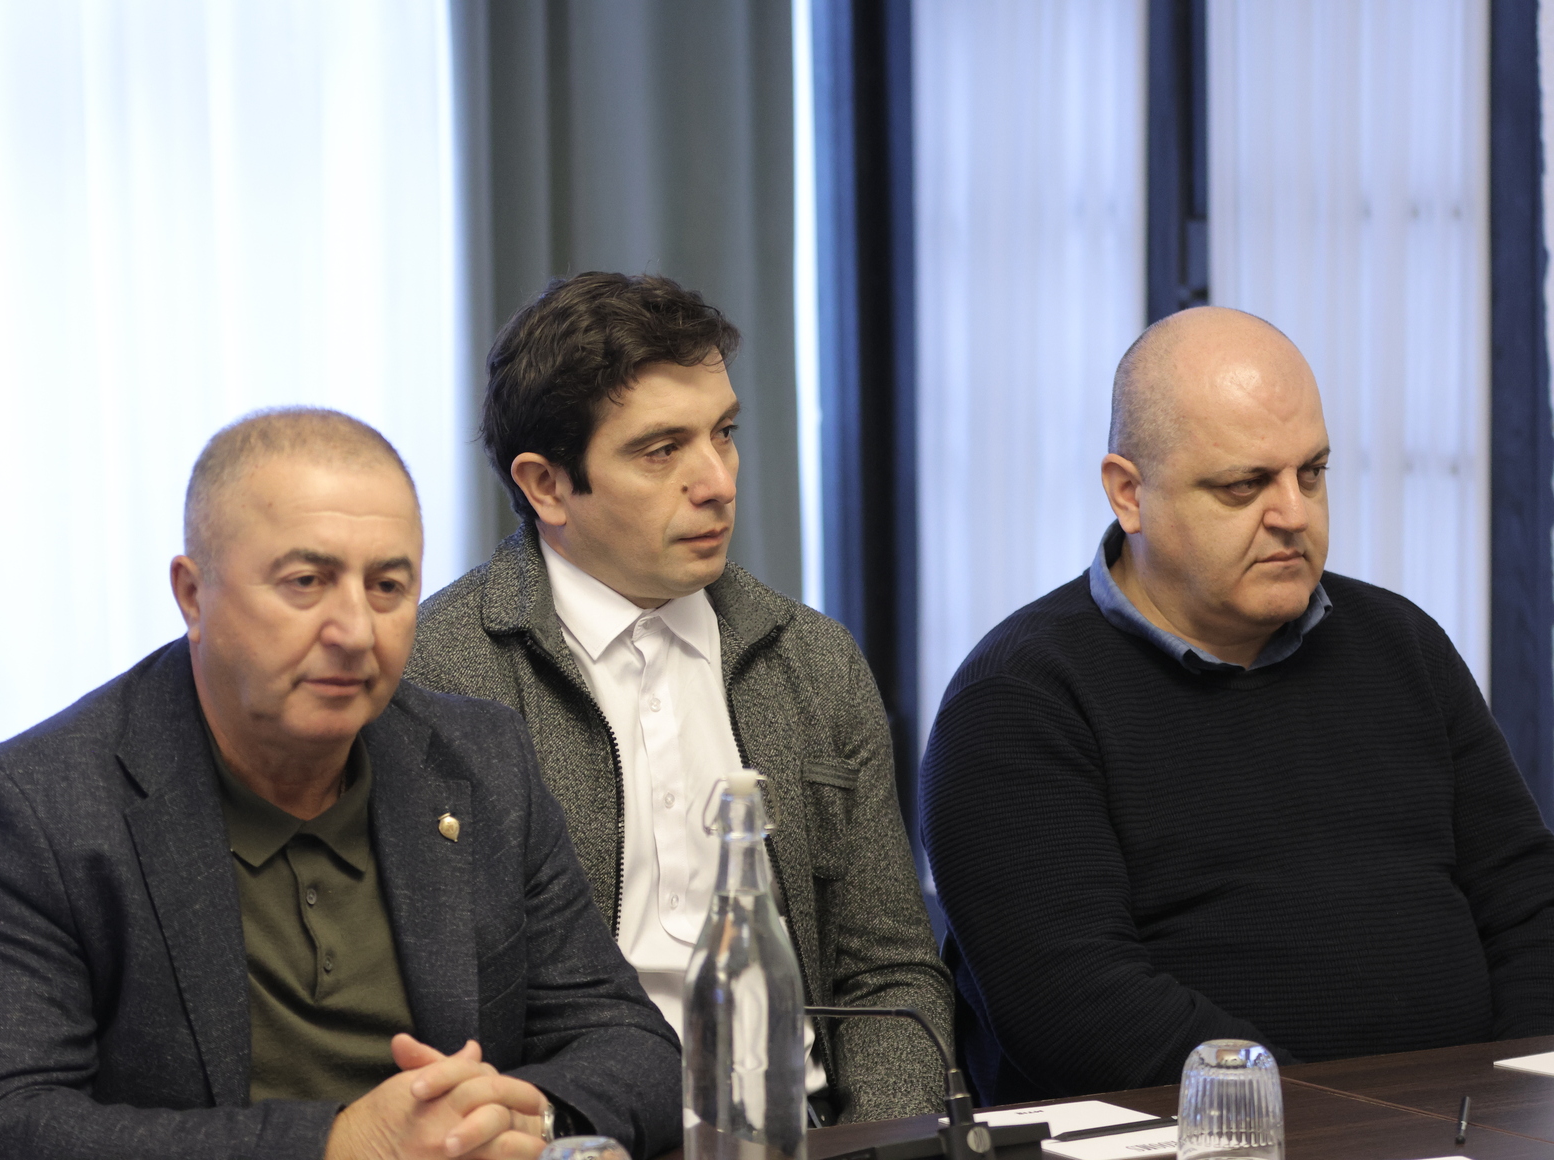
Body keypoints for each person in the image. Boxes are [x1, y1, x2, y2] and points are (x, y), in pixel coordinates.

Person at [0, 408, 681, 1160]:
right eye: (306, 582)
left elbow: (632, 1043)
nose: (355, 631)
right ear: (192, 595)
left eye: (387, 586)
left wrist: (519, 1122)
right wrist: (339, 1146)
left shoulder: (480, 760)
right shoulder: (37, 805)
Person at [919, 306, 1554, 1104]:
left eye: (1311, 473)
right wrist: (1345, 1122)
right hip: (1209, 1142)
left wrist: (1517, 1092)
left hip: (1468, 1129)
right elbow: (1076, 1009)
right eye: (1244, 485)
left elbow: (1527, 904)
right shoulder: (1017, 701)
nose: (1294, 514)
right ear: (1129, 494)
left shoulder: (1402, 644)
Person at [404, 272, 953, 1125]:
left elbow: (890, 971)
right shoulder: (433, 675)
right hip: (576, 1135)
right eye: (661, 451)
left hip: (805, 1131)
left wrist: (879, 1139)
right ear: (547, 485)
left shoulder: (812, 659)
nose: (717, 481)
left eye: (723, 434)